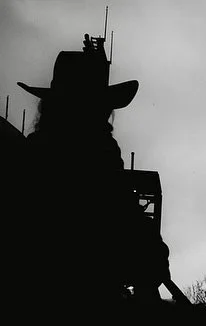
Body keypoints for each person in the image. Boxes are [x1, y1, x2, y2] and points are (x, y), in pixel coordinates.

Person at [16, 35, 171, 309]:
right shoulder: (98, 154)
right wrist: (153, 256)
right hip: (87, 306)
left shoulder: (31, 156)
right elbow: (126, 219)